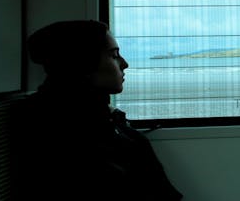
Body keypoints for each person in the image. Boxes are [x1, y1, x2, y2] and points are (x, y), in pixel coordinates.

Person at [13, 20, 183, 200]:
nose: (124, 64)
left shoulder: (103, 117)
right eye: (114, 55)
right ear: (82, 63)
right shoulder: (59, 128)